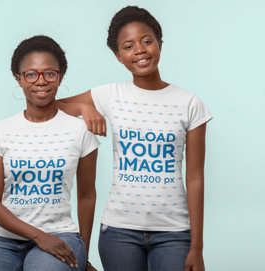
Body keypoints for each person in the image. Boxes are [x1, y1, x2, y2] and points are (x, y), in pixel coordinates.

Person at [57, 6, 212, 271]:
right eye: (128, 46)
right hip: (119, 232)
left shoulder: (189, 104)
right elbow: (52, 107)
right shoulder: (111, 94)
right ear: (118, 56)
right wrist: (85, 108)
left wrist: (196, 248)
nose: (139, 50)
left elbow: (195, 178)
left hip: (173, 233)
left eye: (147, 41)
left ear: (160, 44)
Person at [0, 35, 100, 271]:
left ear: (60, 77)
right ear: (19, 79)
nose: (41, 81)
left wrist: (83, 254)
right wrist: (39, 236)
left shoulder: (80, 130)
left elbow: (87, 197)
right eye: (31, 74)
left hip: (62, 235)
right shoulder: (1, 131)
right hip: (6, 241)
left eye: (49, 73)